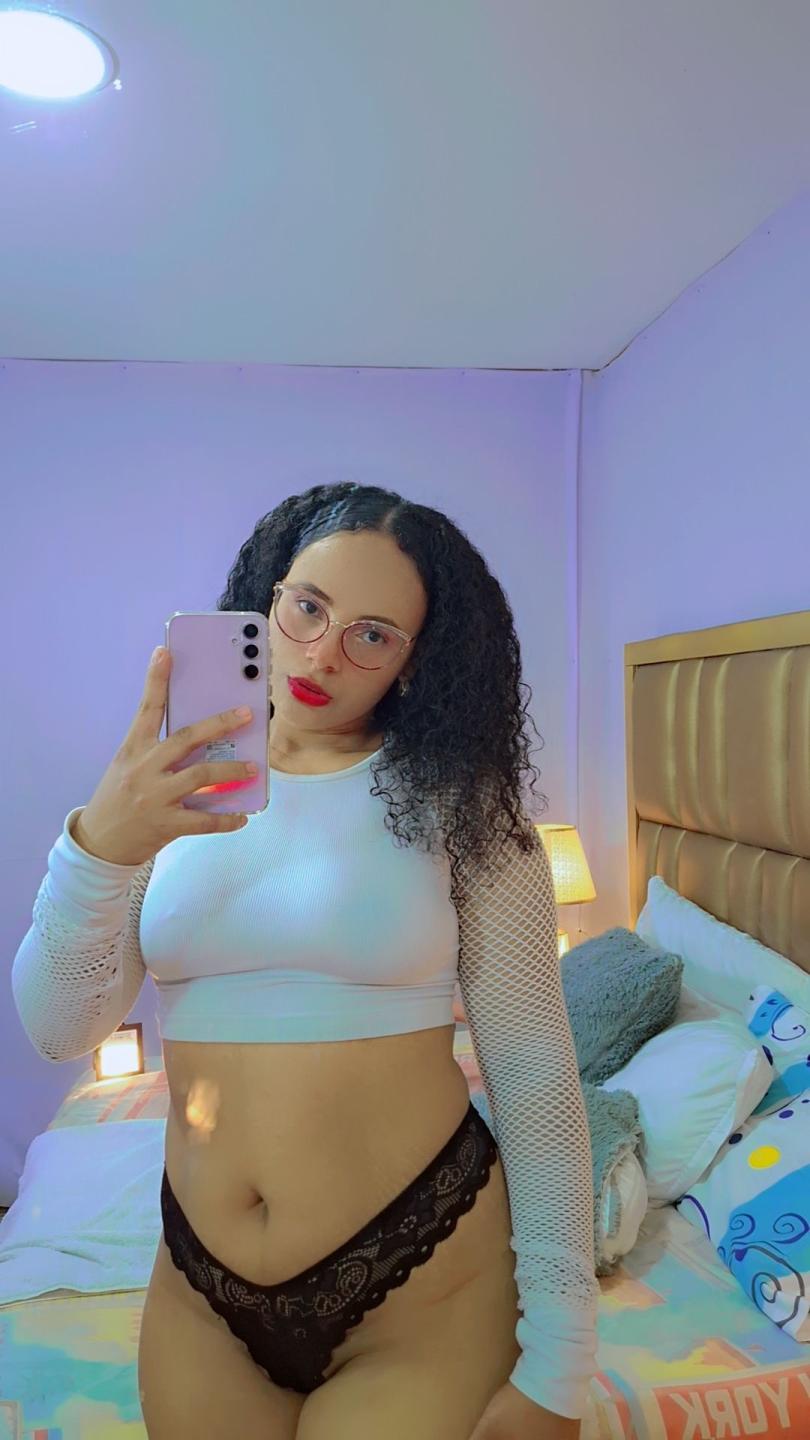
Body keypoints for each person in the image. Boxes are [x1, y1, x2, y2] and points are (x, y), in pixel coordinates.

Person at [12, 481, 599, 1439]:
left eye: (373, 635)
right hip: (202, 1292)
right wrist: (98, 850)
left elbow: (534, 1074)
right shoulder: (168, 791)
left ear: (415, 661)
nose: (324, 653)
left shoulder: (464, 807)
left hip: (425, 1281)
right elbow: (56, 1027)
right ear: (267, 599)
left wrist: (562, 1366)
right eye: (309, 608)